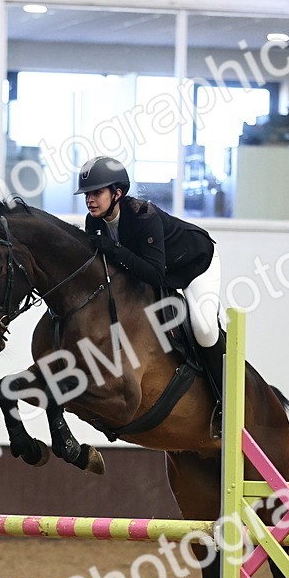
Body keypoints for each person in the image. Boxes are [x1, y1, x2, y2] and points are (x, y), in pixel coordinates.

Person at [75, 155, 225, 401]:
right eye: (86, 194)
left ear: (117, 193)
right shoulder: (94, 221)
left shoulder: (144, 216)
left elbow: (155, 274)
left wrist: (113, 250)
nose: (90, 200)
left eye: (96, 192)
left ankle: (224, 399)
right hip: (162, 272)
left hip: (195, 263)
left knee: (204, 329)